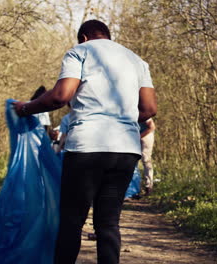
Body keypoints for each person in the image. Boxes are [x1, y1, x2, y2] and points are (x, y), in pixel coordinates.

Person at [13, 19, 157, 264]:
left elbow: (61, 96)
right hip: (125, 149)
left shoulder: (79, 52)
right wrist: (121, 118)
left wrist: (26, 108)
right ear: (107, 36)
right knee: (108, 223)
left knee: (71, 221)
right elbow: (149, 108)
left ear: (84, 37)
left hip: (87, 148)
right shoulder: (136, 60)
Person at [139, 118, 156, 195]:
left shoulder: (143, 112)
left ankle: (149, 186)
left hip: (146, 135)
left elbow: (152, 127)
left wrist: (140, 136)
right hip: (136, 135)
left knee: (146, 160)